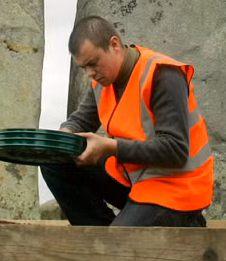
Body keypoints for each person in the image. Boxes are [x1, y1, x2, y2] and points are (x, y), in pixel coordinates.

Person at [42, 16, 213, 227]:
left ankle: (186, 221)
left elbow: (175, 150)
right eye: (83, 68)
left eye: (93, 64)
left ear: (114, 45)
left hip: (177, 189)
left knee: (118, 242)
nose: (89, 74)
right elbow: (80, 120)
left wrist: (110, 147)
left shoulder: (162, 74)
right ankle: (100, 237)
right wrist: (66, 134)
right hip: (136, 181)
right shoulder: (102, 82)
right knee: (54, 162)